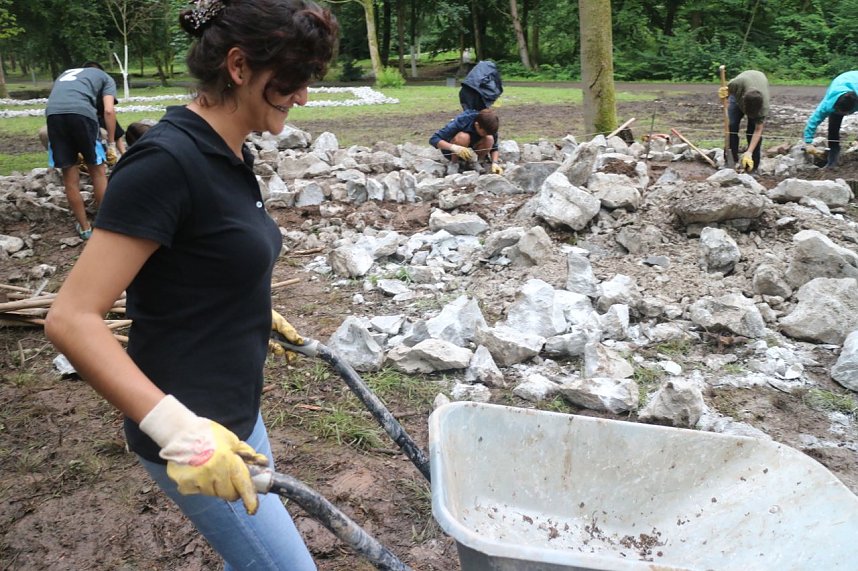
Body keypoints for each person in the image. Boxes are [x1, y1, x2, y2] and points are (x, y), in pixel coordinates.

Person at [45, 2, 338, 570]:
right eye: (294, 79)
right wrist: (180, 433)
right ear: (238, 65)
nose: (302, 96)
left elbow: (203, 259)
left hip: (235, 417)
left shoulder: (229, 151)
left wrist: (250, 310)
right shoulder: (165, 162)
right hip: (192, 432)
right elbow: (71, 318)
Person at [46, 61, 118, 239]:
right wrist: (111, 142)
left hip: (53, 115)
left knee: (69, 178)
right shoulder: (105, 77)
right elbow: (109, 111)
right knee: (98, 172)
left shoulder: (66, 72)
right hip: (82, 115)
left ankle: (85, 228)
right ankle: (105, 226)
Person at [717, 69, 769, 173]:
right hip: (739, 94)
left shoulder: (763, 107)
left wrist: (749, 152)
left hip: (757, 92)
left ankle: (753, 166)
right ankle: (731, 160)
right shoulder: (737, 84)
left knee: (752, 130)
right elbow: (726, 93)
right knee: (731, 125)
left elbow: (758, 130)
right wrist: (724, 96)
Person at [803, 70, 858, 168]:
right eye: (842, 113)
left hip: (855, 85)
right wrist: (808, 142)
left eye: (847, 113)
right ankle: (832, 162)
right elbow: (813, 121)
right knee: (833, 130)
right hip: (841, 83)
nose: (845, 115)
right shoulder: (828, 104)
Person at [430, 107, 503, 175]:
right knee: (463, 137)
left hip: (474, 150)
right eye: (483, 132)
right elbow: (434, 139)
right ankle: (454, 164)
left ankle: (474, 162)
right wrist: (454, 148)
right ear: (477, 125)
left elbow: (494, 148)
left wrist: (495, 163)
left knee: (489, 139)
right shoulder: (463, 120)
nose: (485, 135)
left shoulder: (490, 127)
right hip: (453, 151)